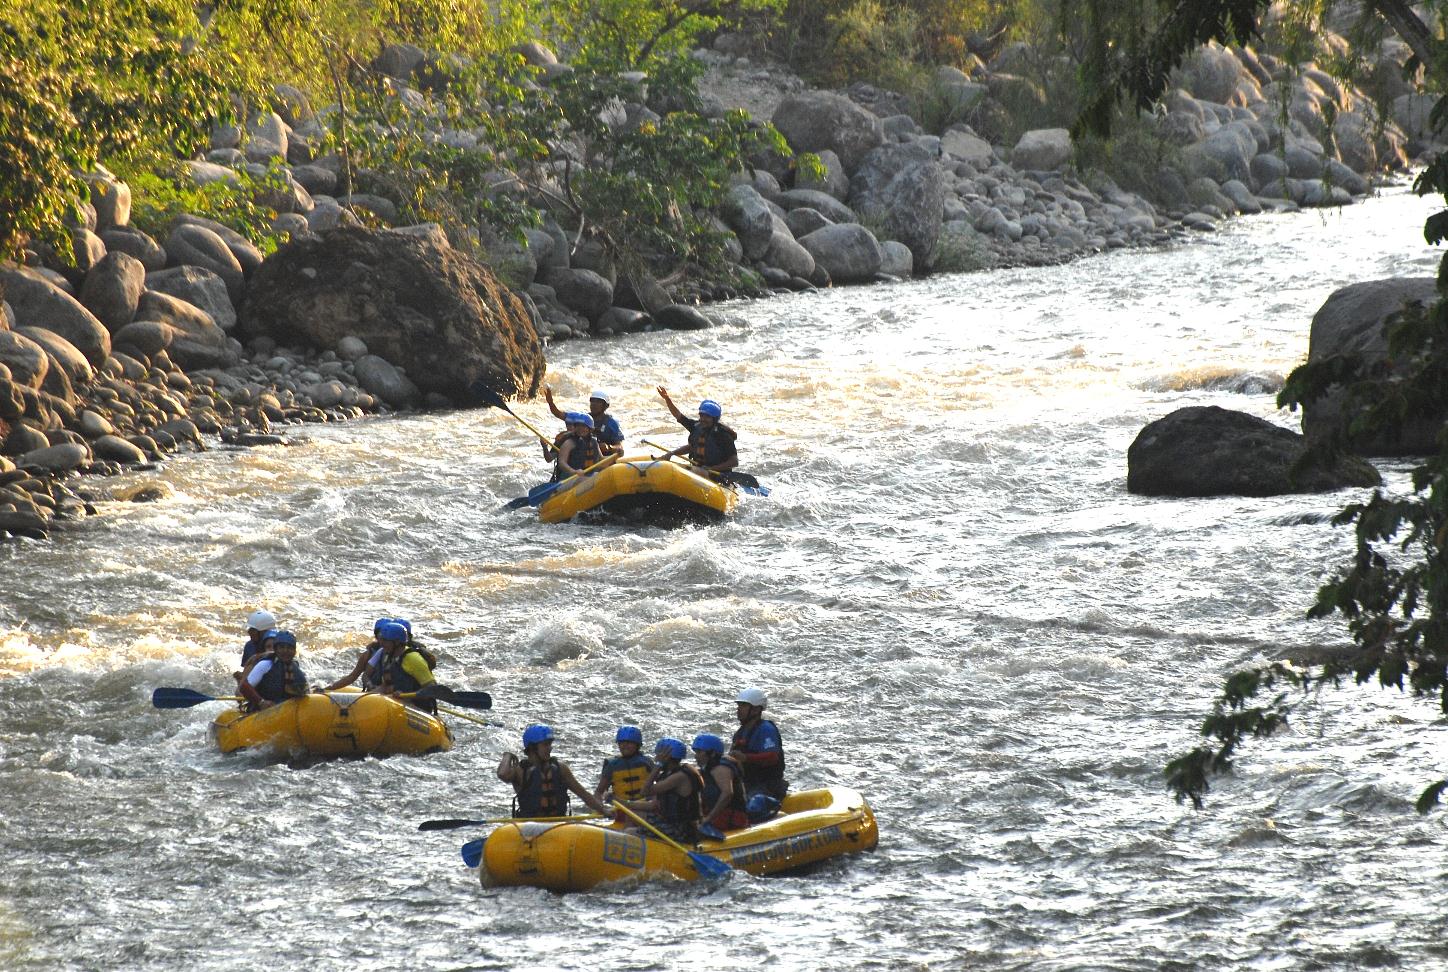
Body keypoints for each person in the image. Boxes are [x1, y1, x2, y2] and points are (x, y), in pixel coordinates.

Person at [497, 724, 608, 818]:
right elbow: (502, 774)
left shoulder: (560, 769)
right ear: (532, 748)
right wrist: (507, 755)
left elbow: (584, 795)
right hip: (529, 827)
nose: (550, 748)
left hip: (558, 825)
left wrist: (604, 810)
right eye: (545, 745)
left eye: (550, 744)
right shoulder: (520, 771)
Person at [619, 737, 704, 842]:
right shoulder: (669, 774)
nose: (656, 759)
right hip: (669, 822)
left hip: (681, 830)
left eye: (658, 756)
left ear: (666, 757)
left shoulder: (679, 777)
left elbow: (644, 792)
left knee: (629, 832)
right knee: (632, 813)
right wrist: (624, 804)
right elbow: (653, 805)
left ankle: (626, 843)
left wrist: (658, 765)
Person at [656, 387, 738, 475]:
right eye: (701, 416)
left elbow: (734, 462)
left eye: (707, 417)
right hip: (699, 470)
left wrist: (711, 468)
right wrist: (672, 453)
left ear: (714, 419)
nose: (703, 419)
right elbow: (678, 416)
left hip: (717, 474)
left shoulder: (723, 435)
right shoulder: (696, 426)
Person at [730, 688, 788, 800]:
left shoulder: (766, 729)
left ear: (756, 710)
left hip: (767, 785)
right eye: (739, 706)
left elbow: (772, 757)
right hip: (748, 784)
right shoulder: (740, 733)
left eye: (743, 706)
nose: (738, 709)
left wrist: (745, 757)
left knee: (751, 802)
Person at [372, 620, 439, 713]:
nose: (381, 644)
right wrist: (366, 697)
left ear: (397, 642)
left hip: (419, 708)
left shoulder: (413, 659)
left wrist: (407, 695)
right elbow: (384, 686)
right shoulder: (388, 657)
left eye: (385, 641)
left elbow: (432, 688)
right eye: (381, 639)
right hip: (398, 705)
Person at [692, 733, 748, 836]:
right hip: (717, 814)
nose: (696, 756)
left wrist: (708, 819)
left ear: (712, 753)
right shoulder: (706, 769)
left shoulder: (721, 768)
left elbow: (727, 794)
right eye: (695, 752)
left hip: (732, 817)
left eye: (699, 752)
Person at [238, 630, 308, 712]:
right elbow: (244, 687)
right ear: (276, 649)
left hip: (286, 710)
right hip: (262, 711)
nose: (285, 651)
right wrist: (261, 702)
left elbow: (303, 691)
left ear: (294, 651)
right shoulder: (266, 664)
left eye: (289, 648)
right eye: (282, 647)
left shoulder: (295, 668)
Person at [320, 617, 393, 692]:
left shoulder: (399, 654)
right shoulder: (368, 654)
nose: (383, 640)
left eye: (387, 637)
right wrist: (328, 689)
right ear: (377, 636)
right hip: (374, 695)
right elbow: (352, 677)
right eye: (381, 636)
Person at [546, 386, 624, 455]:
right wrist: (550, 402)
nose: (594, 404)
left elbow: (619, 447)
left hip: (602, 459)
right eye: (592, 401)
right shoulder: (582, 418)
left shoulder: (612, 423)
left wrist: (609, 448)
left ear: (606, 406)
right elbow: (558, 413)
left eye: (598, 402)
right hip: (582, 459)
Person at [594, 726, 655, 808]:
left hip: (644, 805)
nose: (625, 746)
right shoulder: (612, 765)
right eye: (622, 743)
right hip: (620, 807)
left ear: (638, 745)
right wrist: (601, 804)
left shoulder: (647, 762)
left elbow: (659, 783)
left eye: (629, 743)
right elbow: (599, 792)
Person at [554, 411, 604, 481]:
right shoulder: (569, 443)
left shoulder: (594, 442)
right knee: (585, 479)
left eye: (584, 426)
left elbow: (602, 460)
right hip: (569, 479)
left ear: (590, 429)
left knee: (599, 476)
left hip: (588, 476)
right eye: (578, 426)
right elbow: (562, 463)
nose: (580, 429)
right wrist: (573, 471)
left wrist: (617, 455)